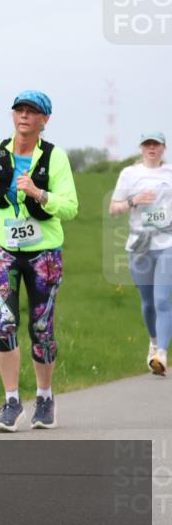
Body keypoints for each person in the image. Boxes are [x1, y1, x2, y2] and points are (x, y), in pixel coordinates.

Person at [0, 90, 78, 432]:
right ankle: (12, 401)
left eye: (32, 112)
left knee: (41, 327)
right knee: (5, 321)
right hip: (1, 246)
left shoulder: (55, 158)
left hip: (44, 250)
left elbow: (71, 207)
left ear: (45, 120)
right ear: (13, 116)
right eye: (19, 110)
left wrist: (38, 193)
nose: (24, 116)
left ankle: (44, 397)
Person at [109, 132, 172, 375]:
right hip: (139, 245)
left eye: (156, 144)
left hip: (167, 243)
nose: (152, 148)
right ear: (141, 148)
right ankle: (154, 342)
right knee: (148, 303)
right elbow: (114, 208)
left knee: (163, 300)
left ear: (163, 148)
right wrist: (133, 201)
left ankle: (162, 354)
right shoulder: (129, 174)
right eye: (147, 144)